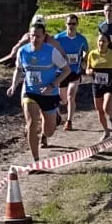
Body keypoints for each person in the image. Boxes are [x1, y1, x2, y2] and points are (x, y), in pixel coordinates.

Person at [10, 16, 65, 161]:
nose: (35, 39)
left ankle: (47, 130)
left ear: (44, 36)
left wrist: (53, 85)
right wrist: (13, 85)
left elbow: (66, 70)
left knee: (49, 130)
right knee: (31, 124)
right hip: (30, 92)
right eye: (32, 35)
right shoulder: (23, 51)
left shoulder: (51, 51)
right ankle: (35, 160)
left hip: (49, 93)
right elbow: (19, 69)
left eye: (38, 36)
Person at [54, 11, 91, 130]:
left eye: (74, 23)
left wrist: (85, 61)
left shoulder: (81, 39)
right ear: (66, 24)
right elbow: (51, 51)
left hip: (75, 72)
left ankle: (69, 121)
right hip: (61, 72)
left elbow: (87, 52)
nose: (71, 26)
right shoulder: (59, 38)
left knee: (71, 96)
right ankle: (58, 115)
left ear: (77, 24)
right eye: (69, 23)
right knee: (63, 100)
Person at [89, 29, 112, 133]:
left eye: (104, 41)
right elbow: (87, 68)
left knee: (106, 108)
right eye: (99, 41)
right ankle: (106, 132)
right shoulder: (92, 54)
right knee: (99, 111)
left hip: (110, 84)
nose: (101, 43)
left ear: (108, 43)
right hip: (96, 85)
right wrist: (89, 71)